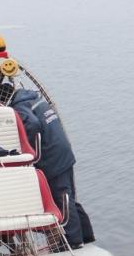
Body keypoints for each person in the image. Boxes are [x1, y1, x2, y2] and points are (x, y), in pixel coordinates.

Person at [8, 88, 95, 247]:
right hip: (64, 151)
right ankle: (86, 235)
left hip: (51, 157)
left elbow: (33, 125)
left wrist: (29, 148)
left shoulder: (19, 107)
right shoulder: (36, 100)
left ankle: (72, 242)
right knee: (69, 196)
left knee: (62, 198)